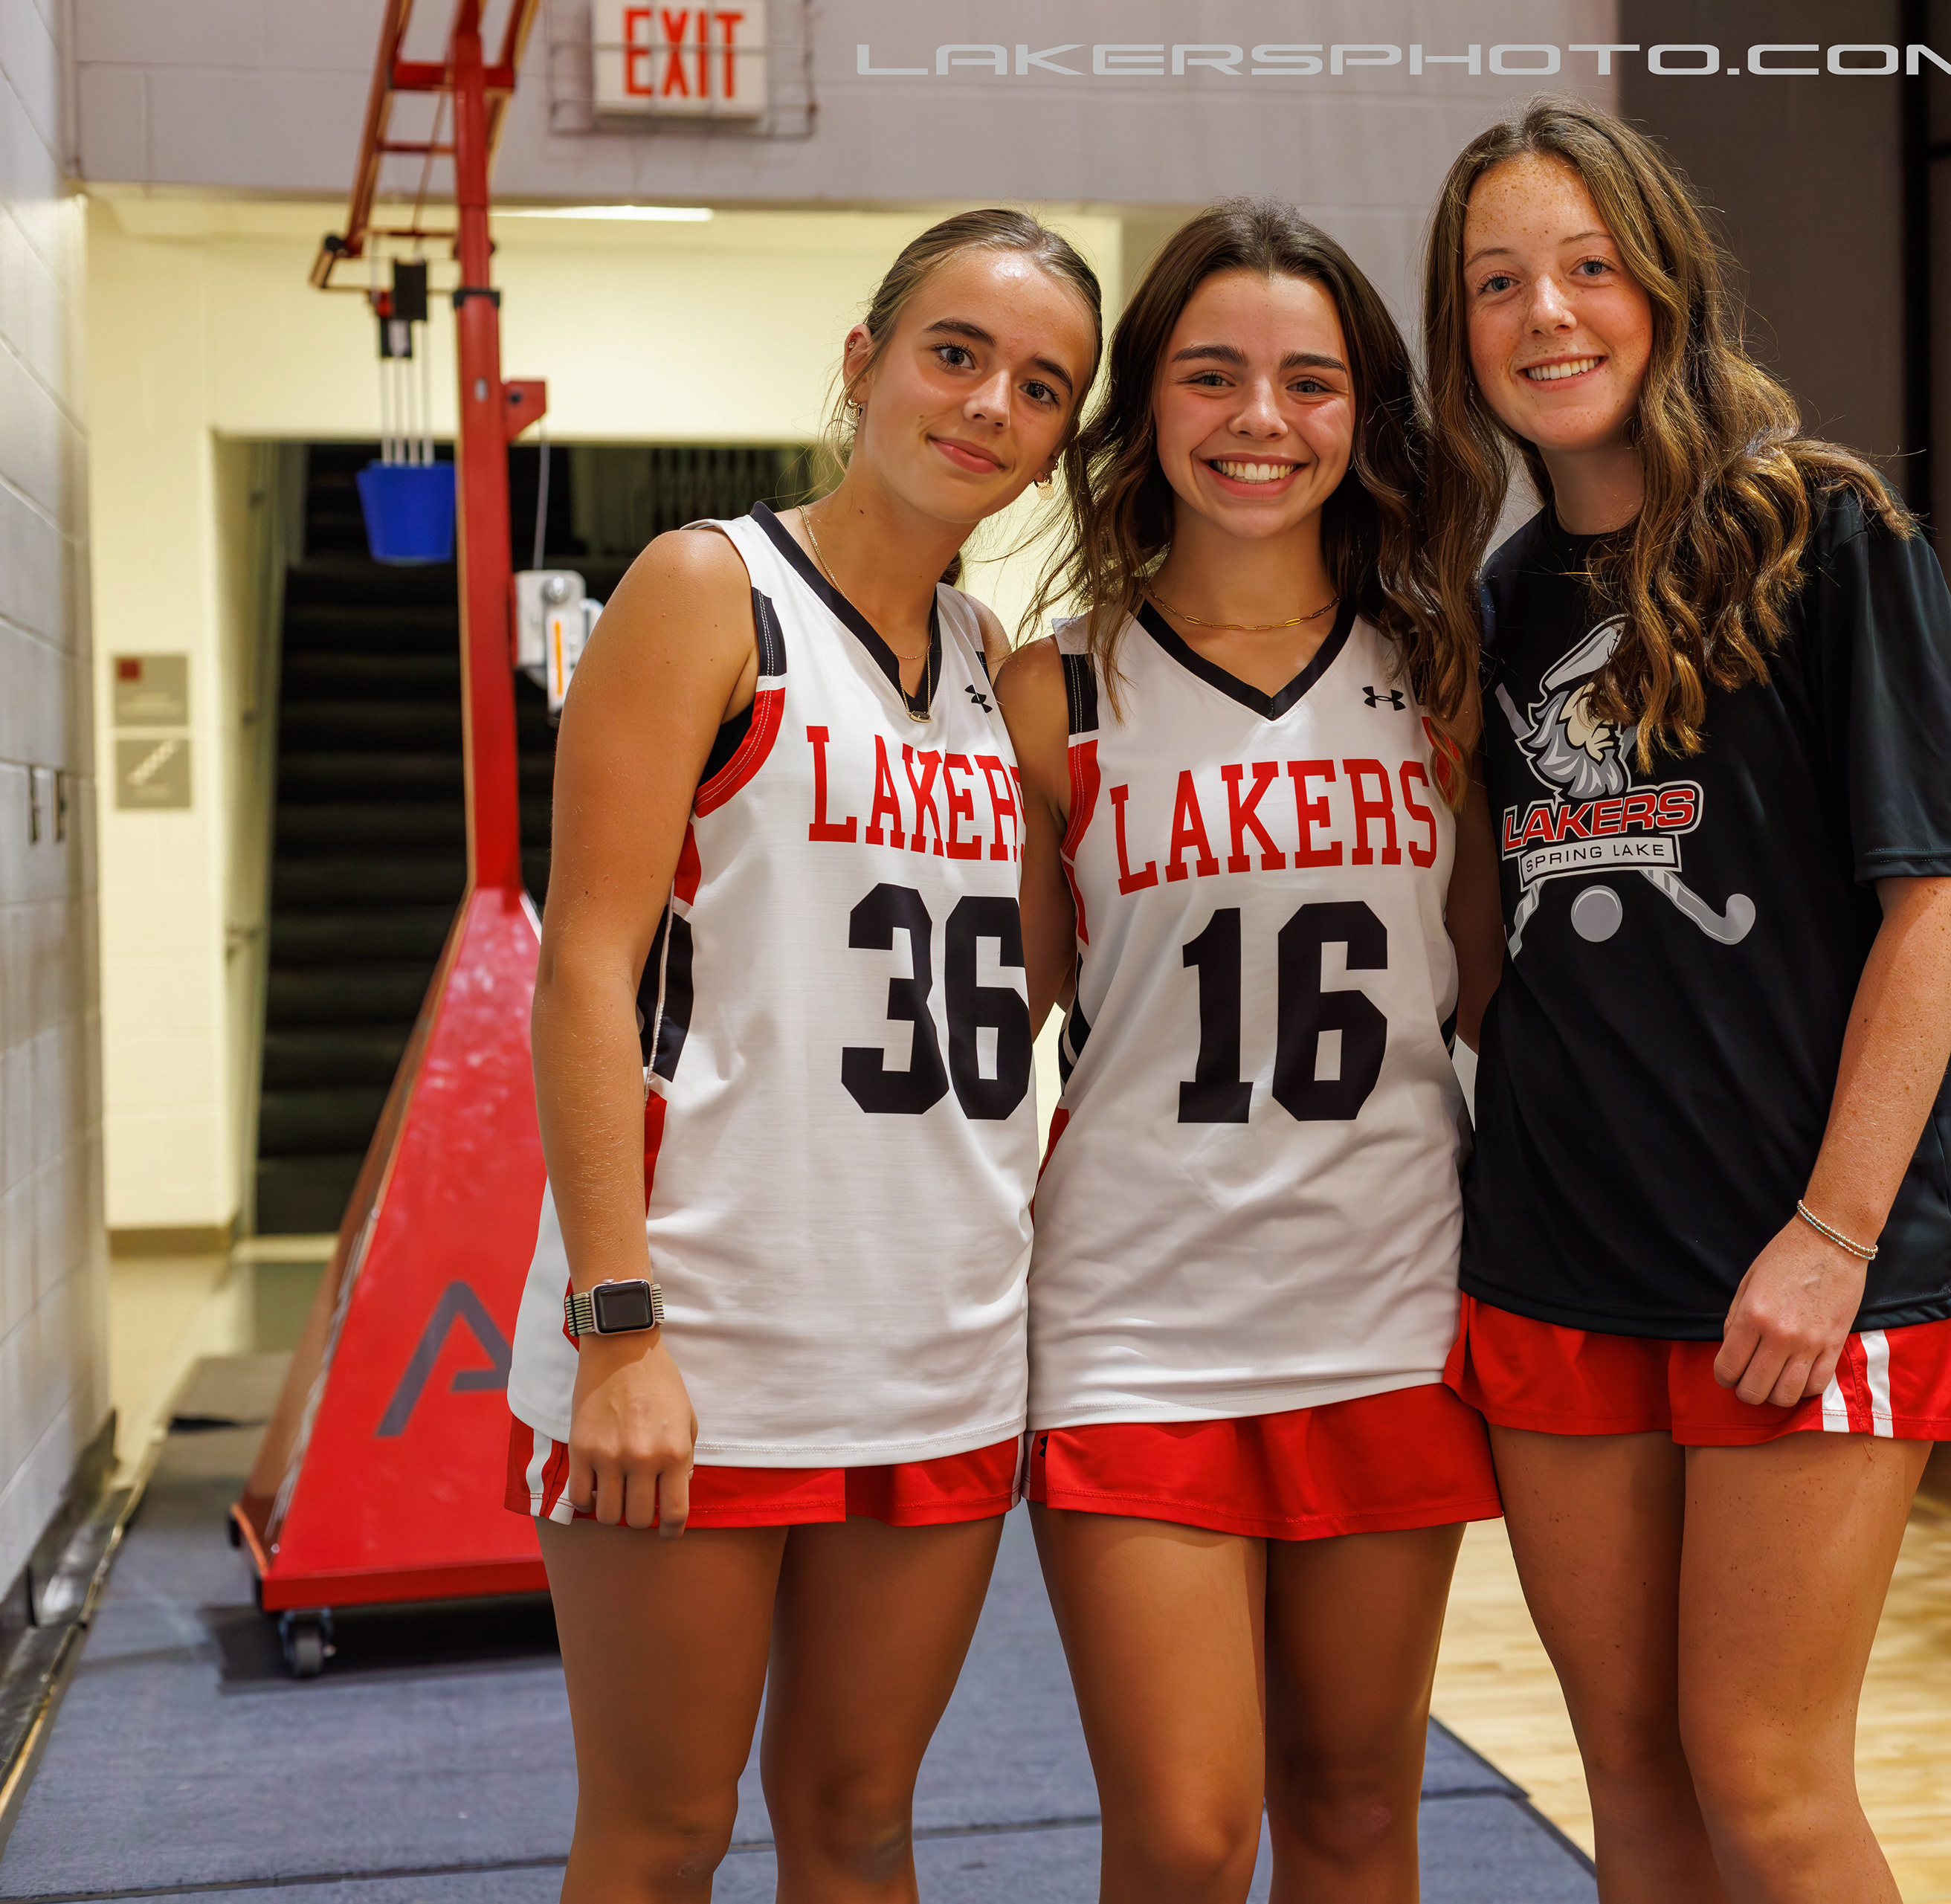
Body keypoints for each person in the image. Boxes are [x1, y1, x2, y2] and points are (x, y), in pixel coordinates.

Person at [1421, 101, 1951, 1903]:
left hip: (1798, 1262)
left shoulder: (1824, 533)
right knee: (1636, 1774)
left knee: (1769, 1779)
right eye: (1497, 282)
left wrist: (1833, 1239)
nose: (1546, 313)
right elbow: (1492, 957)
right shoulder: (1503, 601)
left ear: (1666, 287)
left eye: (1587, 267)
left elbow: (1941, 905)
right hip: (1561, 1259)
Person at [501, 210, 1100, 1904]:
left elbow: (1011, 993)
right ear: (864, 362)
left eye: (1039, 386)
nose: (988, 405)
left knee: (861, 1825)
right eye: (955, 354)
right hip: (703, 1330)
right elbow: (587, 970)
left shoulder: (994, 665)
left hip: (938, 1339)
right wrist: (618, 1325)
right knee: (664, 1834)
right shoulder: (711, 588)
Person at [997, 199, 1503, 1903]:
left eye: (1311, 380)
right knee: (1188, 1836)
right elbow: (1001, 1033)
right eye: (1211, 375)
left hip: (1387, 1309)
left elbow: (1494, 1000)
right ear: (1145, 402)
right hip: (1135, 1323)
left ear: (1367, 416)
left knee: (1357, 1817)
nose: (1260, 419)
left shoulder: (1441, 680)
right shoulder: (1055, 695)